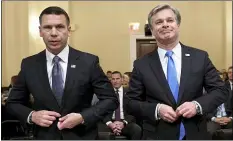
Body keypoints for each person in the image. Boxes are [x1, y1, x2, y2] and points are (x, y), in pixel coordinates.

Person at [6, 6, 118, 140]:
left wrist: (83, 117)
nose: (54, 33)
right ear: (40, 31)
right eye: (47, 27)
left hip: (82, 136)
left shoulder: (88, 62)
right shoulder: (29, 64)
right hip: (45, 136)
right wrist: (32, 116)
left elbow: (110, 99)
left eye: (60, 27)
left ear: (68, 30)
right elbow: (13, 103)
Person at [124, 4, 229, 140]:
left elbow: (221, 91)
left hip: (195, 134)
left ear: (178, 24)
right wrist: (156, 109)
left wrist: (197, 105)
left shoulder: (200, 57)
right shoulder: (141, 64)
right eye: (159, 22)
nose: (165, 25)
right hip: (157, 135)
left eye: (170, 20)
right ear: (152, 29)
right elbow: (130, 102)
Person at [100, 71, 141, 139]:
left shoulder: (129, 93)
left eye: (117, 78)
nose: (115, 81)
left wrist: (123, 123)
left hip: (124, 122)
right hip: (110, 122)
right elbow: (102, 111)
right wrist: (110, 124)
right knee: (99, 131)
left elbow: (133, 111)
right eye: (113, 79)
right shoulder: (106, 93)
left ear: (122, 79)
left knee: (136, 129)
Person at [206, 66, 232, 138]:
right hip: (214, 119)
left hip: (227, 118)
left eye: (221, 78)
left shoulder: (229, 91)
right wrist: (215, 119)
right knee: (210, 131)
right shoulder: (207, 93)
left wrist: (230, 118)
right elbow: (204, 111)